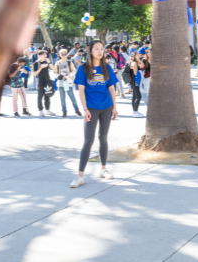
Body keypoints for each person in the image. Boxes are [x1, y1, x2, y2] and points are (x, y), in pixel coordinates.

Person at [70, 40, 118, 188]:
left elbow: (111, 89)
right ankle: (80, 176)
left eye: (101, 49)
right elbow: (81, 90)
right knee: (88, 141)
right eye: (96, 49)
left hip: (106, 107)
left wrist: (114, 107)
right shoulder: (83, 68)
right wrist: (85, 109)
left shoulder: (107, 67)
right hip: (91, 108)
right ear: (90, 51)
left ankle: (103, 169)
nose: (99, 51)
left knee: (103, 137)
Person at [54, 49, 81, 117]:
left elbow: (73, 71)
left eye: (65, 54)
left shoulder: (69, 62)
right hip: (61, 83)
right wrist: (60, 76)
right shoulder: (57, 63)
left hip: (68, 82)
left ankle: (77, 110)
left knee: (72, 97)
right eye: (62, 54)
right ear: (60, 55)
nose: (64, 55)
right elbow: (55, 73)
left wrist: (68, 74)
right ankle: (64, 111)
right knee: (62, 99)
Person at [33, 50, 55, 117]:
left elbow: (53, 68)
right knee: (40, 96)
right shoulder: (36, 63)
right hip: (40, 81)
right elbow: (35, 74)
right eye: (43, 55)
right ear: (39, 56)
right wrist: (41, 67)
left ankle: (47, 109)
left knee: (47, 95)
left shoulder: (47, 61)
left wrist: (49, 62)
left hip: (47, 80)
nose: (45, 56)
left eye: (45, 55)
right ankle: (40, 110)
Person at [129, 52, 144, 117]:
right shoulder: (134, 63)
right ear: (135, 56)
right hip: (135, 80)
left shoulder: (135, 62)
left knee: (134, 96)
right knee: (138, 96)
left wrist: (139, 60)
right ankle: (135, 112)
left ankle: (135, 111)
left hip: (133, 81)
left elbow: (143, 65)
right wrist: (141, 73)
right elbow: (135, 73)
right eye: (137, 55)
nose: (139, 56)